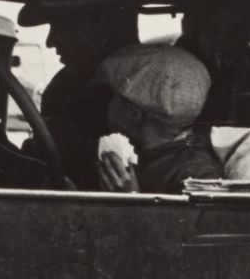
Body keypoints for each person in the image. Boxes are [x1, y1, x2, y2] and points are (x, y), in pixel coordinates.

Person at [21, 0, 139, 185]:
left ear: (100, 23)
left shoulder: (143, 89)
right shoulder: (64, 85)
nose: (50, 41)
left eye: (63, 26)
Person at [95, 44, 223, 194]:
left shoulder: (198, 177)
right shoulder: (144, 154)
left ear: (134, 112)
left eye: (114, 96)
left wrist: (131, 198)